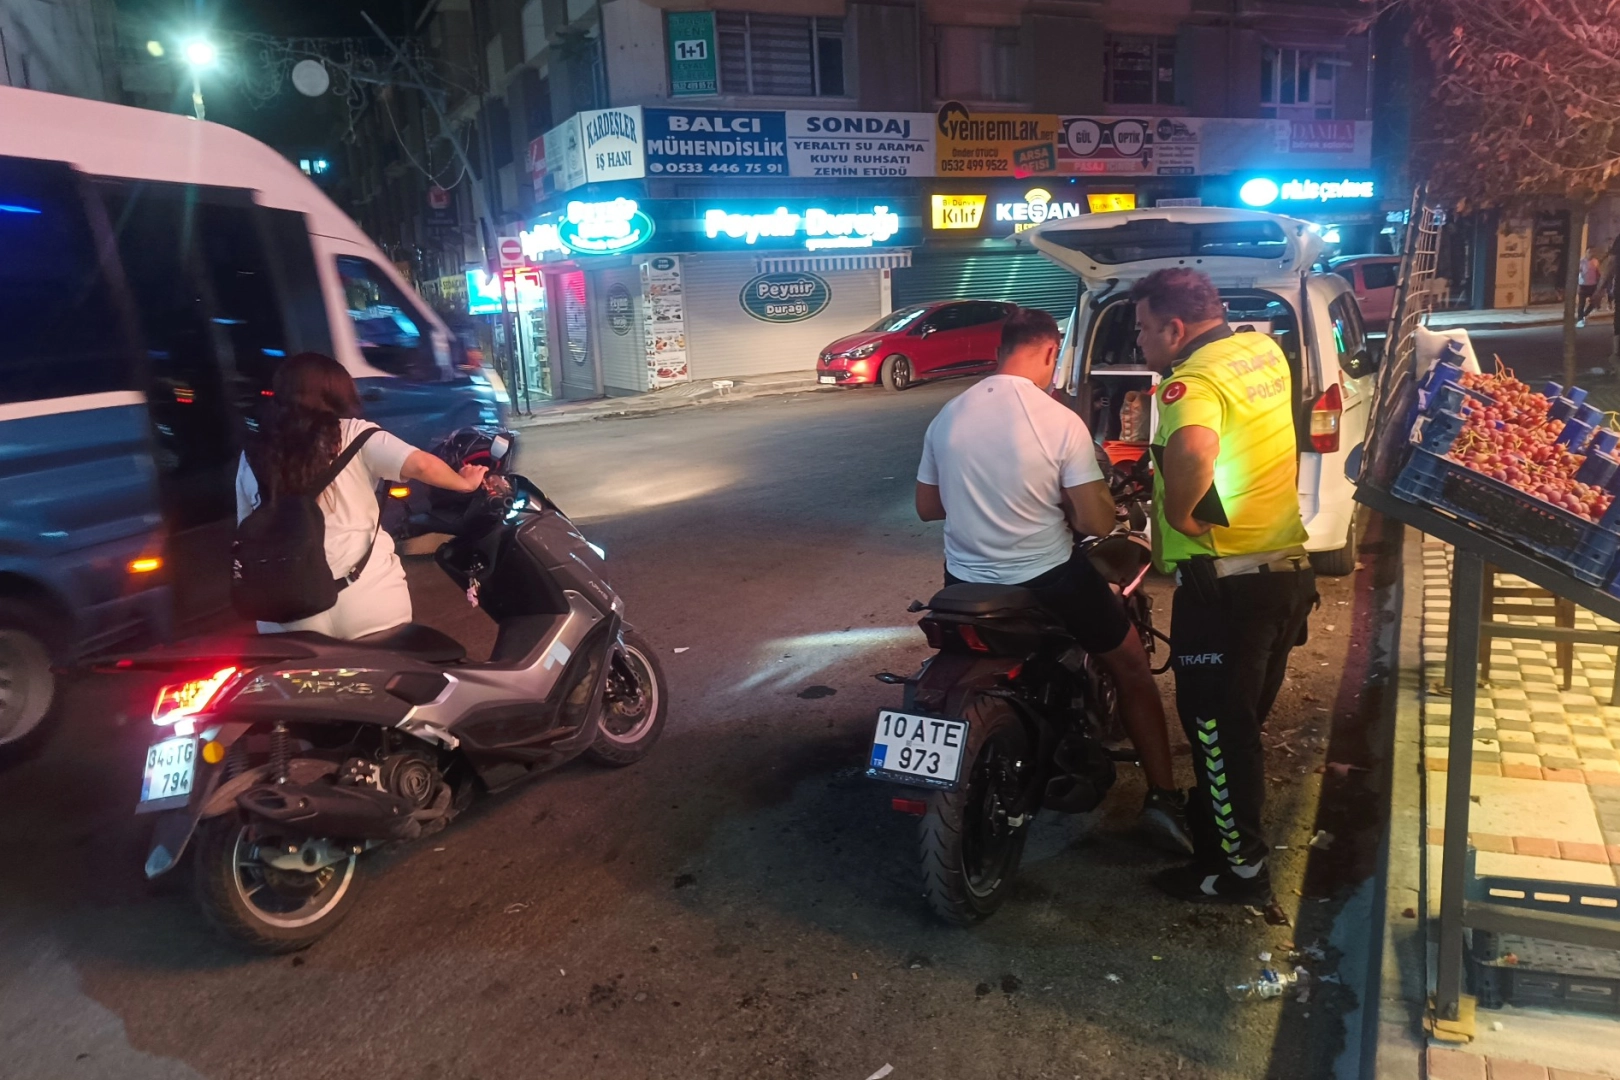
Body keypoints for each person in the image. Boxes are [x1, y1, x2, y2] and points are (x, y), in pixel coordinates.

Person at [914, 307, 1191, 854]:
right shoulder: (1058, 420)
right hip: (1047, 579)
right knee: (1133, 668)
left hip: (962, 582)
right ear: (1048, 351)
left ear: (1000, 350)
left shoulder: (947, 415)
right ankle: (1164, 796)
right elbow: (1092, 521)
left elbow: (927, 507)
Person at [1129, 268, 1317, 905]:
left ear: (1174, 328)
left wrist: (1181, 517)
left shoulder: (1191, 380)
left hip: (1227, 590)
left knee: (1213, 729)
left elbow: (1194, 451)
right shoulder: (1260, 350)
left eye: (1142, 331)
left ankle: (1236, 871)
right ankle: (1222, 841)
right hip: (1285, 576)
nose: (1141, 345)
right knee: (1238, 726)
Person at [237, 353, 487, 639]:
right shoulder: (357, 433)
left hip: (285, 613)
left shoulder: (253, 454)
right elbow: (421, 464)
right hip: (366, 599)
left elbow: (246, 526)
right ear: (339, 391)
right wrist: (464, 483)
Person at [1578, 248, 1601, 327]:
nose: (1591, 253)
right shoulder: (1581, 261)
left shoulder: (1595, 261)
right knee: (1581, 304)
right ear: (1586, 253)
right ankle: (1580, 320)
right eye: (1589, 252)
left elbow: (1597, 273)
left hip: (1592, 285)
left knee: (1594, 302)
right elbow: (1578, 272)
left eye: (1592, 252)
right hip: (1583, 285)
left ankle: (1584, 314)